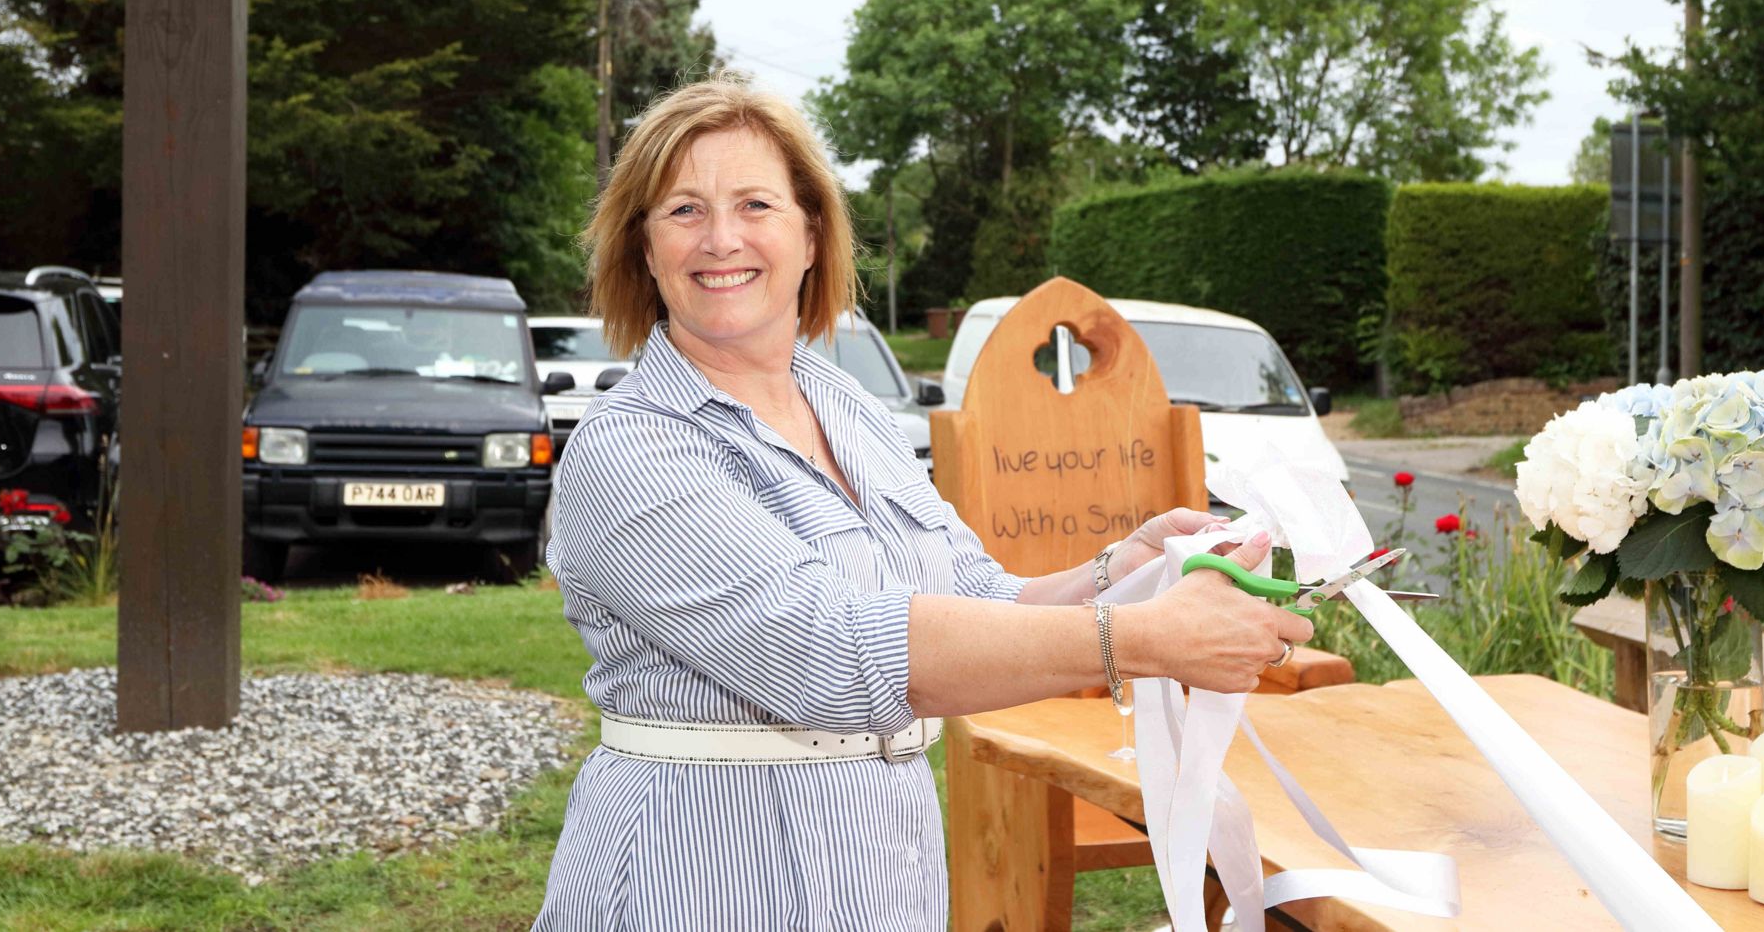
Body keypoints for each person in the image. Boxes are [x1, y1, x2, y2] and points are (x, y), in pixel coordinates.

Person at [533, 75, 1308, 931]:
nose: (721, 239)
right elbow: (827, 655)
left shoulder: (850, 408)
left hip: (878, 875)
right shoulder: (630, 447)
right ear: (643, 248)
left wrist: (1121, 573)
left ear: (812, 234)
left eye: (755, 204)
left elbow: (971, 593)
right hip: (697, 883)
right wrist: (1145, 638)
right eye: (683, 210)